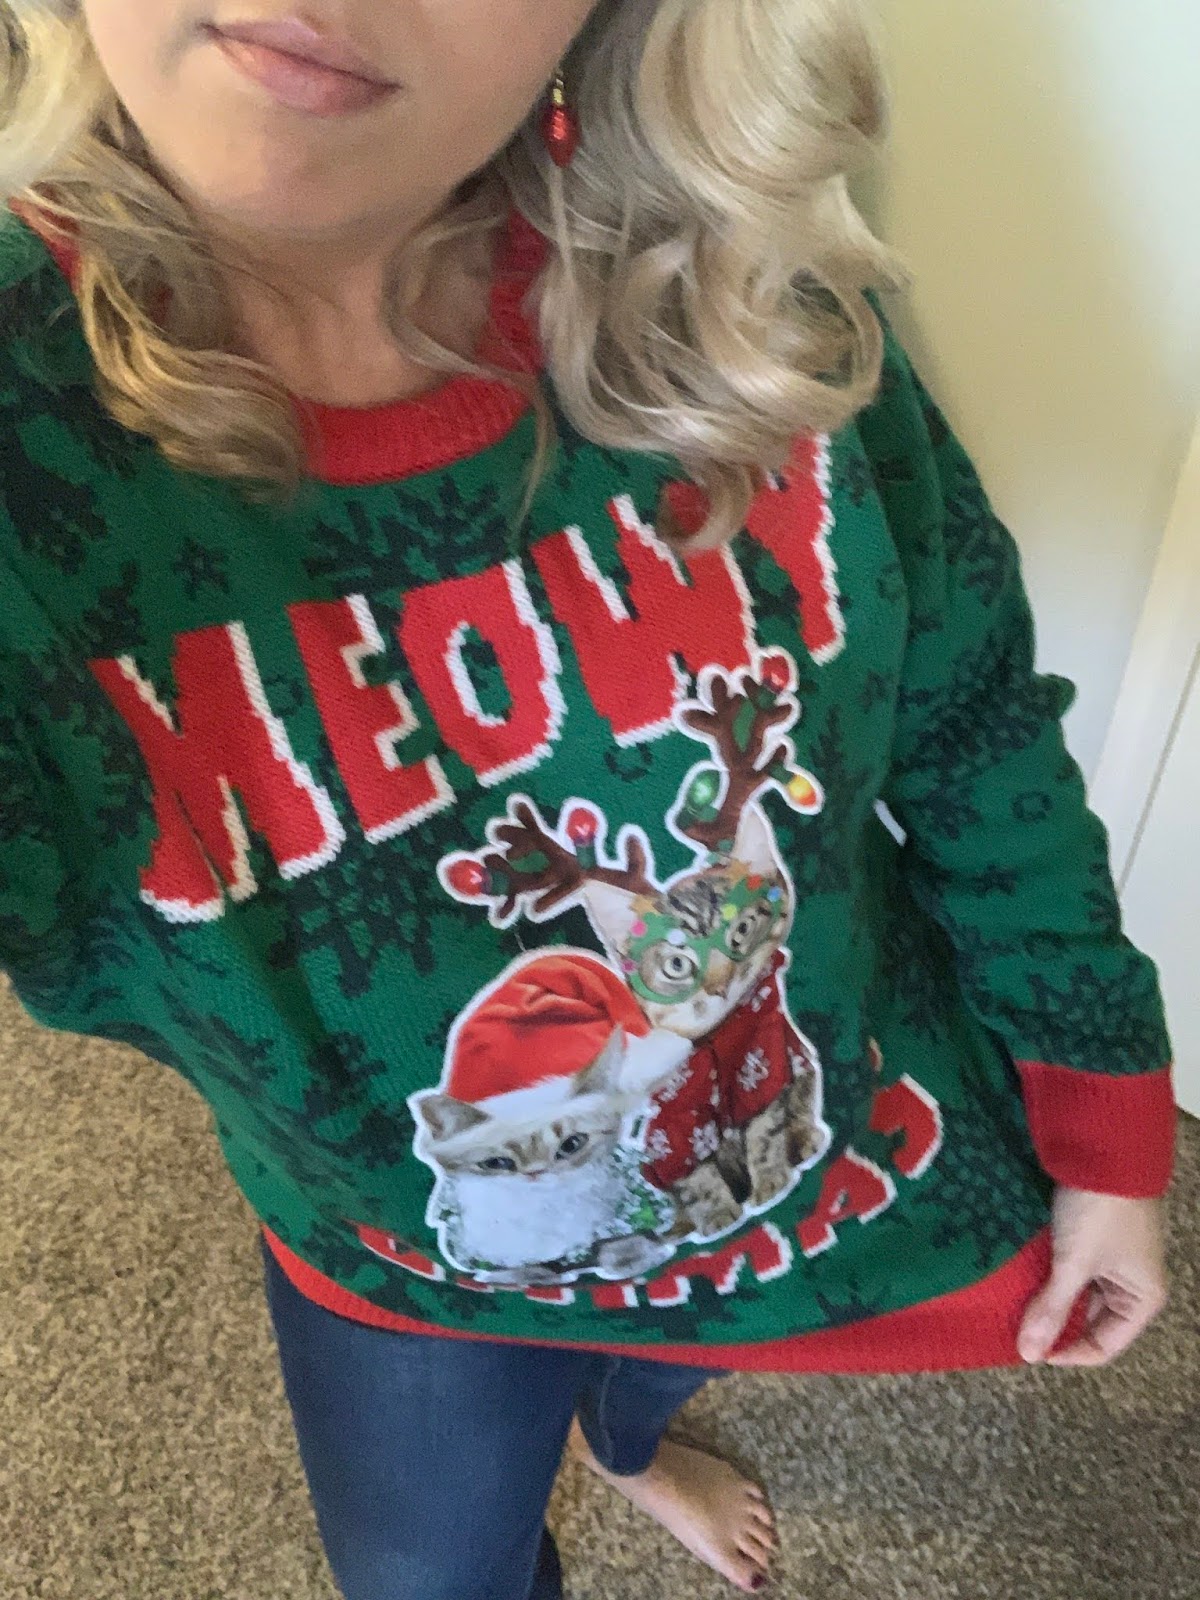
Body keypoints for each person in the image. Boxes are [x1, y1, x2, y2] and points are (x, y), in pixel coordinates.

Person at [0, 2, 1176, 1597]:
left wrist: (1101, 1104)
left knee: (650, 1368)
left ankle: (626, 1445)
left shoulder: (745, 286)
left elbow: (968, 720)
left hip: (777, 1170)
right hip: (411, 1264)